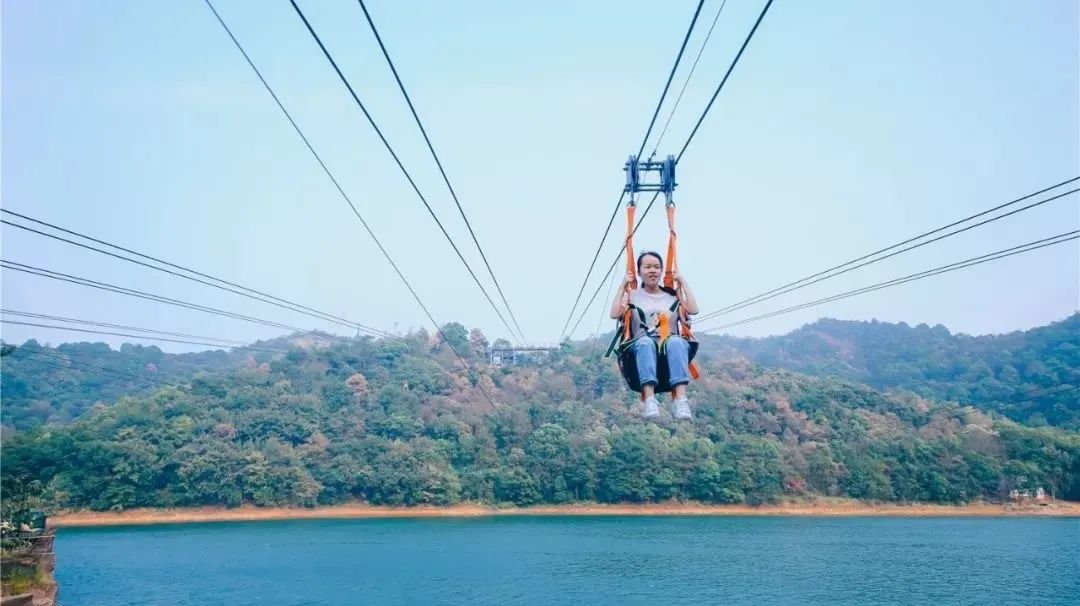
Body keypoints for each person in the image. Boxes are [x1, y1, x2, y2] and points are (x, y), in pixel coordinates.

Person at [609, 251, 699, 419]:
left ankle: (681, 400)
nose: (653, 271)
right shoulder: (632, 297)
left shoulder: (672, 296)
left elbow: (693, 310)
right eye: (648, 267)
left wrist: (682, 282)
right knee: (645, 343)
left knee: (677, 343)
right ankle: (649, 400)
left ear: (661, 271)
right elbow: (614, 314)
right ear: (639, 271)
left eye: (657, 267)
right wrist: (623, 286)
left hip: (669, 346)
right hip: (641, 347)